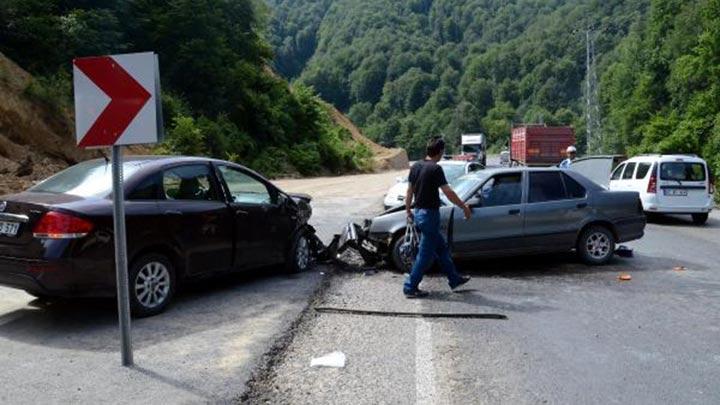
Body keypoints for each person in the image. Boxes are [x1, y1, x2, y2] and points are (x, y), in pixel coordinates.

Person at [403, 137, 472, 298]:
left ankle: (454, 279)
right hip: (429, 216)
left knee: (441, 249)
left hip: (419, 212)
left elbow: (409, 191)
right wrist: (464, 207)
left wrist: (408, 210)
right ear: (440, 152)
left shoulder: (416, 167)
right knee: (424, 255)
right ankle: (410, 287)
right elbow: (448, 192)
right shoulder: (435, 169)